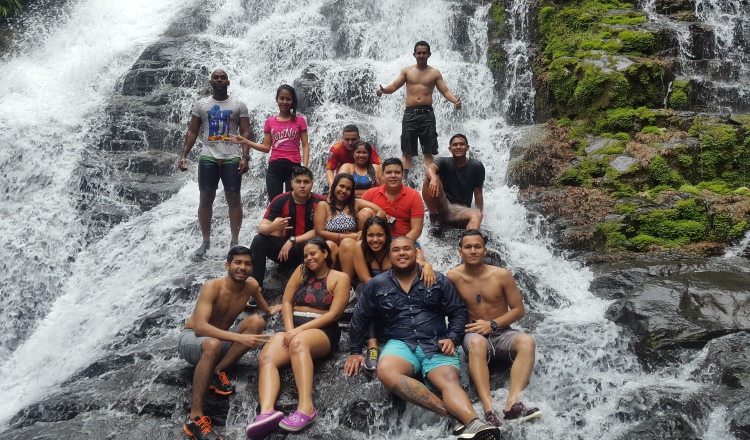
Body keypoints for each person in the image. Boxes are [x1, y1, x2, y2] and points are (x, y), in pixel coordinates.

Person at [344, 236, 501, 440]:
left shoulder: (438, 280)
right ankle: (451, 415)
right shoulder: (376, 285)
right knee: (386, 370)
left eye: (407, 249)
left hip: (435, 341)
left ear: (415, 253)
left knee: (448, 380)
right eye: (396, 250)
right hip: (400, 343)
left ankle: (476, 424)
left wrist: (453, 338)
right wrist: (355, 351)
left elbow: (457, 312)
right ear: (389, 256)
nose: (402, 253)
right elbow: (360, 317)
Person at [245, 238, 350, 439]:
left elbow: (334, 314)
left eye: (313, 254)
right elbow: (286, 301)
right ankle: (267, 412)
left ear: (325, 253)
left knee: (298, 343)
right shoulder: (301, 271)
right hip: (293, 326)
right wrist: (290, 328)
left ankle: (306, 408)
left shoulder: (340, 278)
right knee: (266, 357)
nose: (309, 258)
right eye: (305, 255)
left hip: (322, 328)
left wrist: (297, 333)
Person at [179, 246, 281, 440]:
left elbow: (264, 308)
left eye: (247, 264)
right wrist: (240, 338)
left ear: (252, 268)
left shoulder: (251, 285)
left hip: (218, 340)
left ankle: (216, 371)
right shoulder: (212, 287)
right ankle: (194, 419)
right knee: (212, 344)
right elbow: (200, 328)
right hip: (191, 340)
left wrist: (271, 310)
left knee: (257, 322)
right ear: (228, 265)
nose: (242, 267)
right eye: (238, 263)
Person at [447, 230, 541, 425]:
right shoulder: (452, 277)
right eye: (468, 247)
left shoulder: (501, 275)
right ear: (460, 252)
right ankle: (489, 409)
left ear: (485, 250)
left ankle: (513, 404)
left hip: (502, 332)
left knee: (527, 341)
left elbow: (518, 310)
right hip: (473, 334)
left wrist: (493, 324)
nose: (473, 250)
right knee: (477, 344)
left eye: (477, 246)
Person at [178, 69, 251, 258]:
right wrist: (184, 154)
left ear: (228, 81)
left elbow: (245, 132)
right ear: (211, 81)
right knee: (206, 196)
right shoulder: (201, 105)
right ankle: (205, 241)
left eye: (223, 77)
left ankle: (234, 241)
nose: (219, 80)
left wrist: (245, 156)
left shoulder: (238, 104)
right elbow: (192, 131)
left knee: (234, 197)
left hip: (232, 156)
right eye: (216, 77)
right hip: (208, 155)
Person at [376, 41, 462, 184]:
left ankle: (431, 179)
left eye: (424, 53)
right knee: (407, 150)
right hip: (410, 114)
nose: (421, 55)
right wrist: (383, 90)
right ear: (414, 54)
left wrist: (455, 101)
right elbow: (394, 86)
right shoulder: (407, 71)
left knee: (428, 151)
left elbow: (445, 91)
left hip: (427, 114)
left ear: (429, 54)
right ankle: (404, 181)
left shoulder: (434, 73)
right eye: (419, 53)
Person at [249, 166, 326, 290]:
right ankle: (256, 286)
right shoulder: (281, 200)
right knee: (259, 239)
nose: (302, 185)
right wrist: (272, 227)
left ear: (312, 183)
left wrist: (293, 240)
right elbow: (261, 228)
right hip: (284, 252)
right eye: (298, 181)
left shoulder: (320, 202)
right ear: (291, 183)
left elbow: (320, 230)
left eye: (306, 182)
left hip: (309, 252)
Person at [231, 84, 309, 202]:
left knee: (293, 203)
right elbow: (266, 147)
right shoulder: (270, 122)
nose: (285, 102)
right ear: (277, 99)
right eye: (281, 98)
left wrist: (305, 168)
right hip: (275, 168)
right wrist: (246, 141)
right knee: (275, 203)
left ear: (293, 101)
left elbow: (305, 145)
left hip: (294, 168)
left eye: (288, 99)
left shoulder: (300, 120)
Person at [313, 173, 384, 264]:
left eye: (348, 189)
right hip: (331, 245)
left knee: (366, 212)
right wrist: (349, 236)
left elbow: (381, 212)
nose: (344, 190)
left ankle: (349, 278)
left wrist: (366, 230)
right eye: (341, 186)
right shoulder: (324, 205)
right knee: (330, 245)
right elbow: (320, 231)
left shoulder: (355, 203)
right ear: (334, 186)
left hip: (351, 245)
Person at [422, 134, 484, 233]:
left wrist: (480, 214)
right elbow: (430, 168)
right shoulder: (443, 161)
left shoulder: (476, 166)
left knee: (476, 214)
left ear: (467, 148)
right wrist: (434, 177)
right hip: (442, 205)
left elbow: (478, 192)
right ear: (450, 149)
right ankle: (434, 216)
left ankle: (469, 240)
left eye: (462, 144)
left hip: (461, 211)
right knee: (428, 180)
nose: (458, 147)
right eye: (455, 145)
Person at [324, 124, 382, 191]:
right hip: (342, 178)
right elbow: (329, 170)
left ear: (359, 138)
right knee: (327, 189)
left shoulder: (367, 148)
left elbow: (379, 167)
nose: (350, 143)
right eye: (347, 139)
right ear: (342, 138)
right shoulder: (336, 149)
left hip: (365, 178)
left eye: (353, 139)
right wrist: (332, 185)